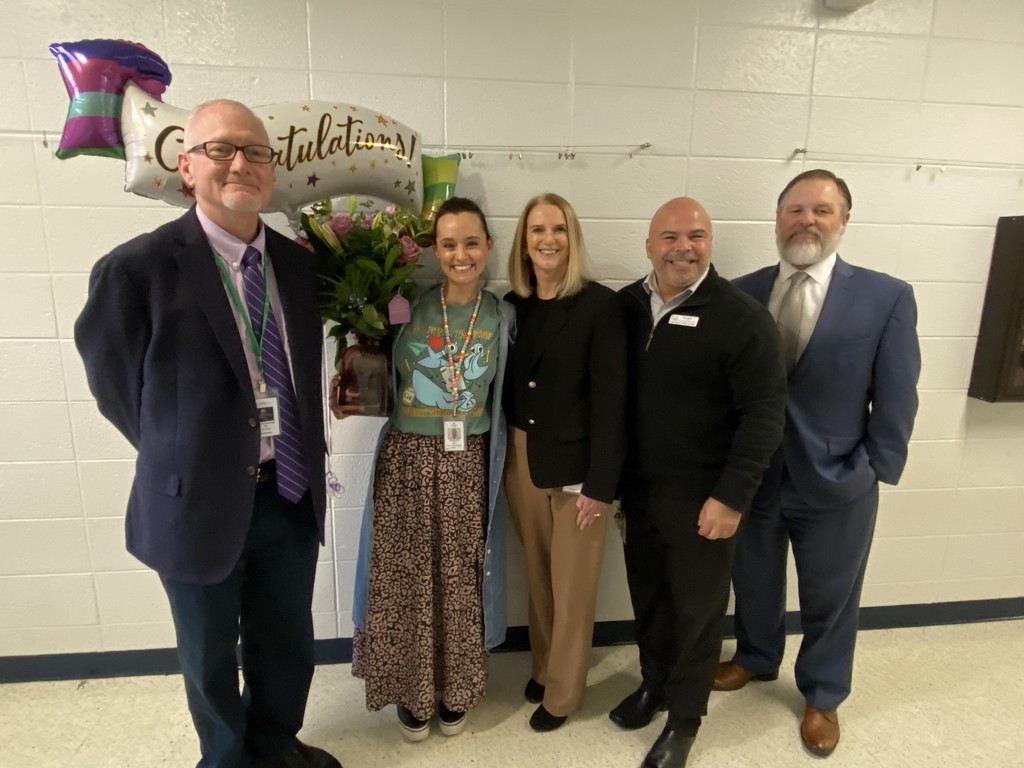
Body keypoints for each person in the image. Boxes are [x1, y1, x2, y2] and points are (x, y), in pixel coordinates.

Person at [74, 100, 340, 768]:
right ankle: (224, 761)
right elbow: (116, 390)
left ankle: (277, 746)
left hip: (288, 491)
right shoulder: (134, 269)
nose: (240, 164)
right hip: (195, 501)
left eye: (254, 151)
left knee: (286, 640)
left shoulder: (301, 267)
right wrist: (189, 453)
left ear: (272, 171)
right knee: (208, 650)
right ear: (186, 167)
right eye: (221, 150)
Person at [718, 169, 920, 757]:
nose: (807, 220)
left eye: (822, 211)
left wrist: (874, 469)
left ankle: (824, 692)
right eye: (795, 209)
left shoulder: (886, 296)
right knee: (752, 578)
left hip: (838, 480)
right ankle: (756, 658)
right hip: (754, 477)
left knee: (832, 594)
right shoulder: (741, 291)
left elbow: (899, 392)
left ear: (844, 222)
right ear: (777, 219)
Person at [612, 197, 787, 768]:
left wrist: (732, 497)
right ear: (648, 244)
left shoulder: (741, 317)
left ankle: (685, 721)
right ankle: (655, 685)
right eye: (669, 236)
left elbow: (765, 413)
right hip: (639, 493)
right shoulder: (626, 307)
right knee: (650, 599)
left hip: (705, 499)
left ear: (710, 242)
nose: (682, 247)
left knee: (697, 612)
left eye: (695, 235)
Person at [351, 197, 514, 741]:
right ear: (434, 250)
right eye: (448, 244)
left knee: (460, 580)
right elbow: (371, 371)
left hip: (468, 463)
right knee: (406, 578)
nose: (460, 254)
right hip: (407, 461)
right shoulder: (405, 306)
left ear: (488, 246)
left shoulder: (503, 315)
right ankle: (413, 693)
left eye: (471, 242)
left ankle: (457, 688)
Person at [502, 193, 627, 732]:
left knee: (573, 586)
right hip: (522, 459)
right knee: (538, 575)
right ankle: (545, 666)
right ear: (523, 244)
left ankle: (563, 694)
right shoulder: (514, 304)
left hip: (580, 471)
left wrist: (602, 484)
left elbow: (612, 402)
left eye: (558, 229)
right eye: (536, 231)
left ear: (572, 239)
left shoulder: (600, 306)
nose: (547, 239)